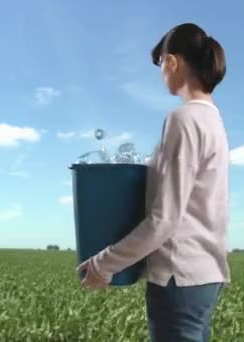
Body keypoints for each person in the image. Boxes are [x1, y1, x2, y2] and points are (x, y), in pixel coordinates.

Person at [76, 22, 231, 342]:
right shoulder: (213, 119)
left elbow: (164, 220)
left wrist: (103, 264)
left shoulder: (183, 119)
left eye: (161, 64)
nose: (162, 74)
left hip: (179, 278)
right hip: (205, 275)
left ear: (172, 61)